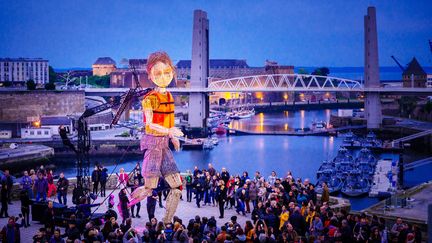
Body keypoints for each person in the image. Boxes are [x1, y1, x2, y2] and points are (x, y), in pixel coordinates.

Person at [128, 51, 185, 224]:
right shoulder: (149, 99)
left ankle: (167, 220)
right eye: (158, 73)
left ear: (173, 73)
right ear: (151, 76)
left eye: (167, 73)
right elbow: (149, 125)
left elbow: (169, 122)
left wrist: (172, 136)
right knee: (148, 187)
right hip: (153, 145)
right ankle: (129, 201)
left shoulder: (169, 96)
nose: (163, 77)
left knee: (177, 186)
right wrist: (169, 132)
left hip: (164, 145)